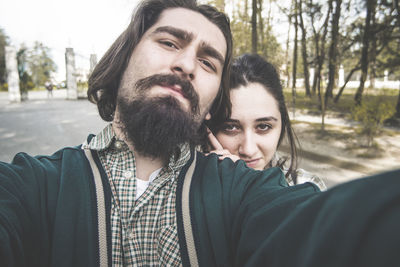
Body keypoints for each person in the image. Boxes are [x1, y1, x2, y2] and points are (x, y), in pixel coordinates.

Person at [0, 0, 400, 266]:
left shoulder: (241, 189)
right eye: (170, 41)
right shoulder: (33, 185)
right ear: (124, 57)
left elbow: (321, 230)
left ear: (211, 104)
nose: (188, 64)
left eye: (209, 63)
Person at [206, 54, 326, 190]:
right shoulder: (192, 193)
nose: (248, 150)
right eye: (231, 127)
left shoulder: (307, 188)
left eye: (263, 126)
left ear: (282, 122)